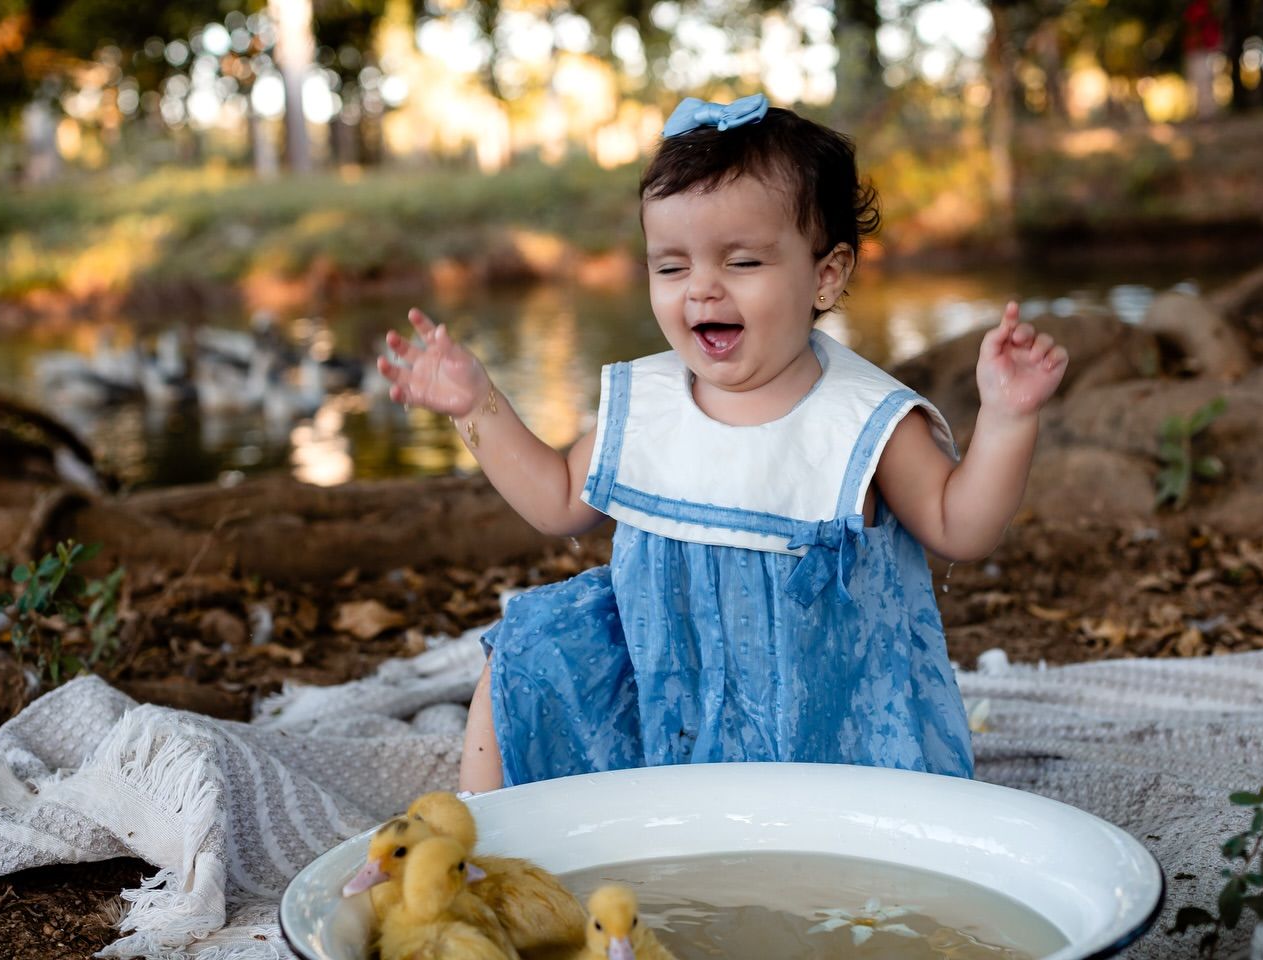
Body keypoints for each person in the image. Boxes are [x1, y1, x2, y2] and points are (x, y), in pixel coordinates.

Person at [378, 93, 1069, 793]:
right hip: (665, 706)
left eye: (741, 263)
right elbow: (558, 501)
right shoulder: (648, 405)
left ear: (826, 275)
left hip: (826, 728)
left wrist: (1008, 418)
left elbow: (962, 526)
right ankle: (481, 836)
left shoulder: (862, 419)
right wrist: (477, 404)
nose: (702, 290)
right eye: (671, 268)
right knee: (528, 646)